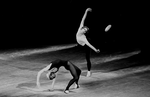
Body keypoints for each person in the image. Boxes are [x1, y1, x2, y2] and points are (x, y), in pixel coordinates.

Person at [76, 8, 100, 77]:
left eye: (85, 31)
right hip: (79, 43)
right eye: (84, 29)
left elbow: (89, 45)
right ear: (82, 28)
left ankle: (89, 71)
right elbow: (83, 18)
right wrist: (86, 11)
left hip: (85, 44)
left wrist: (95, 50)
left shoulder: (84, 38)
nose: (84, 31)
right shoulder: (80, 27)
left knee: (87, 58)